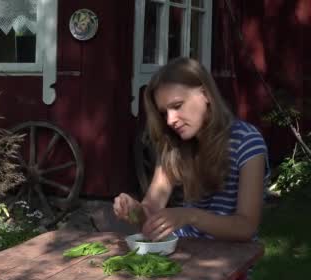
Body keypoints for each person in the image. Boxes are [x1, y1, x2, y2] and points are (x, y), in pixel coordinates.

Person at [114, 57, 270, 242]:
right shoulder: (174, 145)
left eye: (177, 106)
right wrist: (135, 211)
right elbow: (150, 215)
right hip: (184, 254)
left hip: (230, 262)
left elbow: (246, 227)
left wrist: (190, 216)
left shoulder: (247, 142)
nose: (170, 120)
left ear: (206, 95)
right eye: (164, 112)